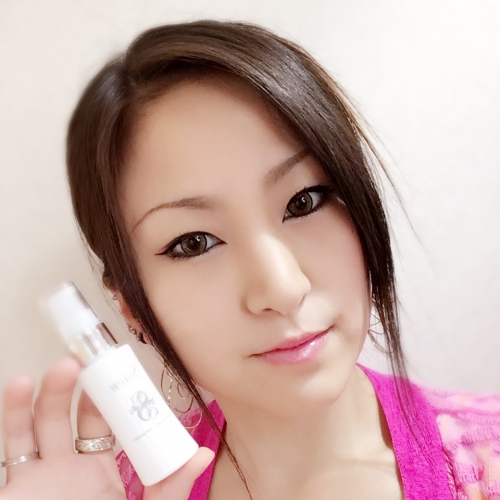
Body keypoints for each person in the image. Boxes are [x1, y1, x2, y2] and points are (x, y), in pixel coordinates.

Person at [1, 20, 499, 500]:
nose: (282, 289)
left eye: (303, 201)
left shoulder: (487, 461)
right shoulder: (118, 490)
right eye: (194, 242)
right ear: (131, 305)